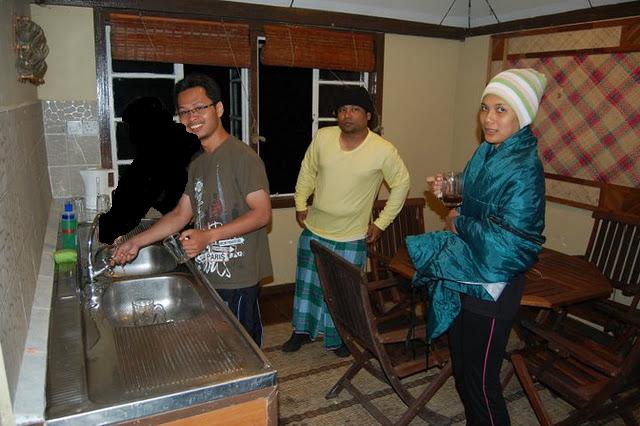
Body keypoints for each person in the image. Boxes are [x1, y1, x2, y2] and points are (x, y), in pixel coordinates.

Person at [409, 68, 548, 425]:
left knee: (482, 383)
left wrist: (458, 222)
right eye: (485, 108)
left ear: (522, 115)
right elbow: (475, 196)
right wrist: (448, 189)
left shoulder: (524, 169)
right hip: (468, 274)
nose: (488, 118)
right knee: (463, 371)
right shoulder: (488, 151)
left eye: (501, 109)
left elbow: (512, 247)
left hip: (494, 287)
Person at [111, 74, 273, 346]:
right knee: (219, 346)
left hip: (239, 277)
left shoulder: (243, 158)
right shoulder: (198, 164)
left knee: (244, 347)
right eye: (184, 112)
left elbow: (262, 214)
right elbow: (180, 215)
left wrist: (208, 236)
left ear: (218, 109)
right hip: (209, 273)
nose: (191, 117)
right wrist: (136, 242)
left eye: (199, 108)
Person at [283, 86, 411, 357]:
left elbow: (402, 184)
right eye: (342, 110)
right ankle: (302, 330)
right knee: (308, 286)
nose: (347, 115)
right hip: (315, 231)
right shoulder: (323, 137)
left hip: (352, 236)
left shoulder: (383, 150)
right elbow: (308, 170)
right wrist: (300, 203)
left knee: (345, 293)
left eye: (354, 109)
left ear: (368, 116)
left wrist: (381, 223)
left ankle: (343, 337)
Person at [98, 97, 201, 244]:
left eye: (131, 127)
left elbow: (128, 209)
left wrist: (104, 233)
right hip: (201, 224)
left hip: (195, 234)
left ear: (143, 126)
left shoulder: (155, 155)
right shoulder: (186, 140)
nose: (130, 136)